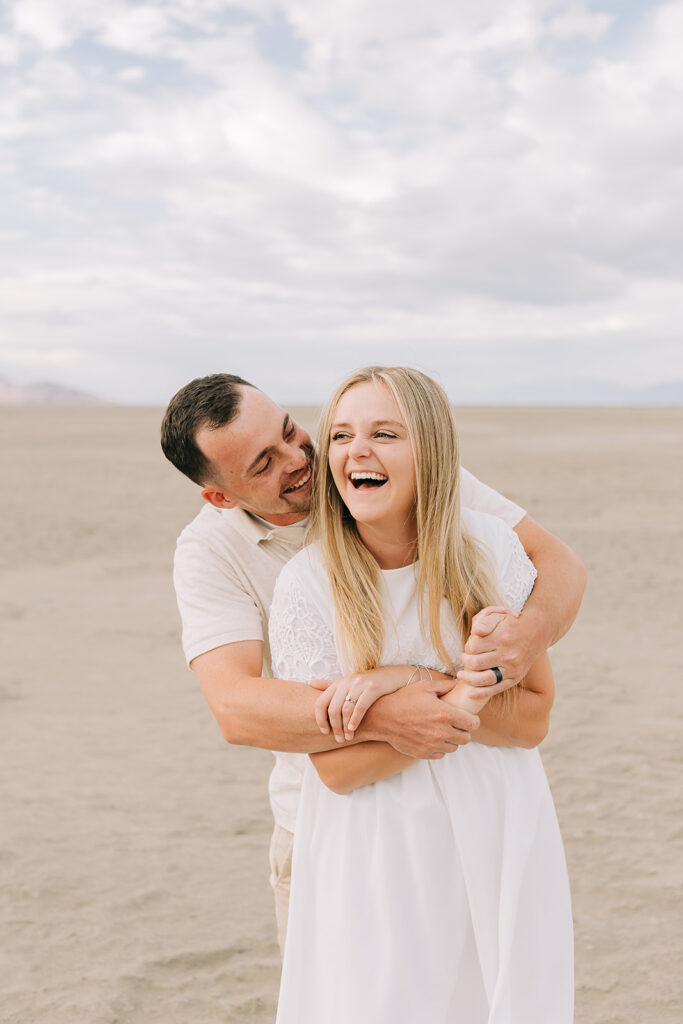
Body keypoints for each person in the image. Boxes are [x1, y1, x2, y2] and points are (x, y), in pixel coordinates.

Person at [160, 373, 585, 952]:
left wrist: (522, 637)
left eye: (290, 430)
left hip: (470, 804)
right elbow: (235, 707)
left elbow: (556, 562)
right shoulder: (212, 553)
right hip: (329, 818)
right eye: (264, 463)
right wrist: (390, 715)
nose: (298, 458)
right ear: (221, 496)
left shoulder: (391, 471)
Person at [269, 366, 573, 1022]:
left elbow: (533, 718)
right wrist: (457, 696)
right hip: (375, 853)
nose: (357, 451)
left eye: (385, 433)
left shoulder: (486, 548)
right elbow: (340, 767)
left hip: (496, 830)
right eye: (342, 435)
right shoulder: (307, 584)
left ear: (430, 451)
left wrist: (407, 682)